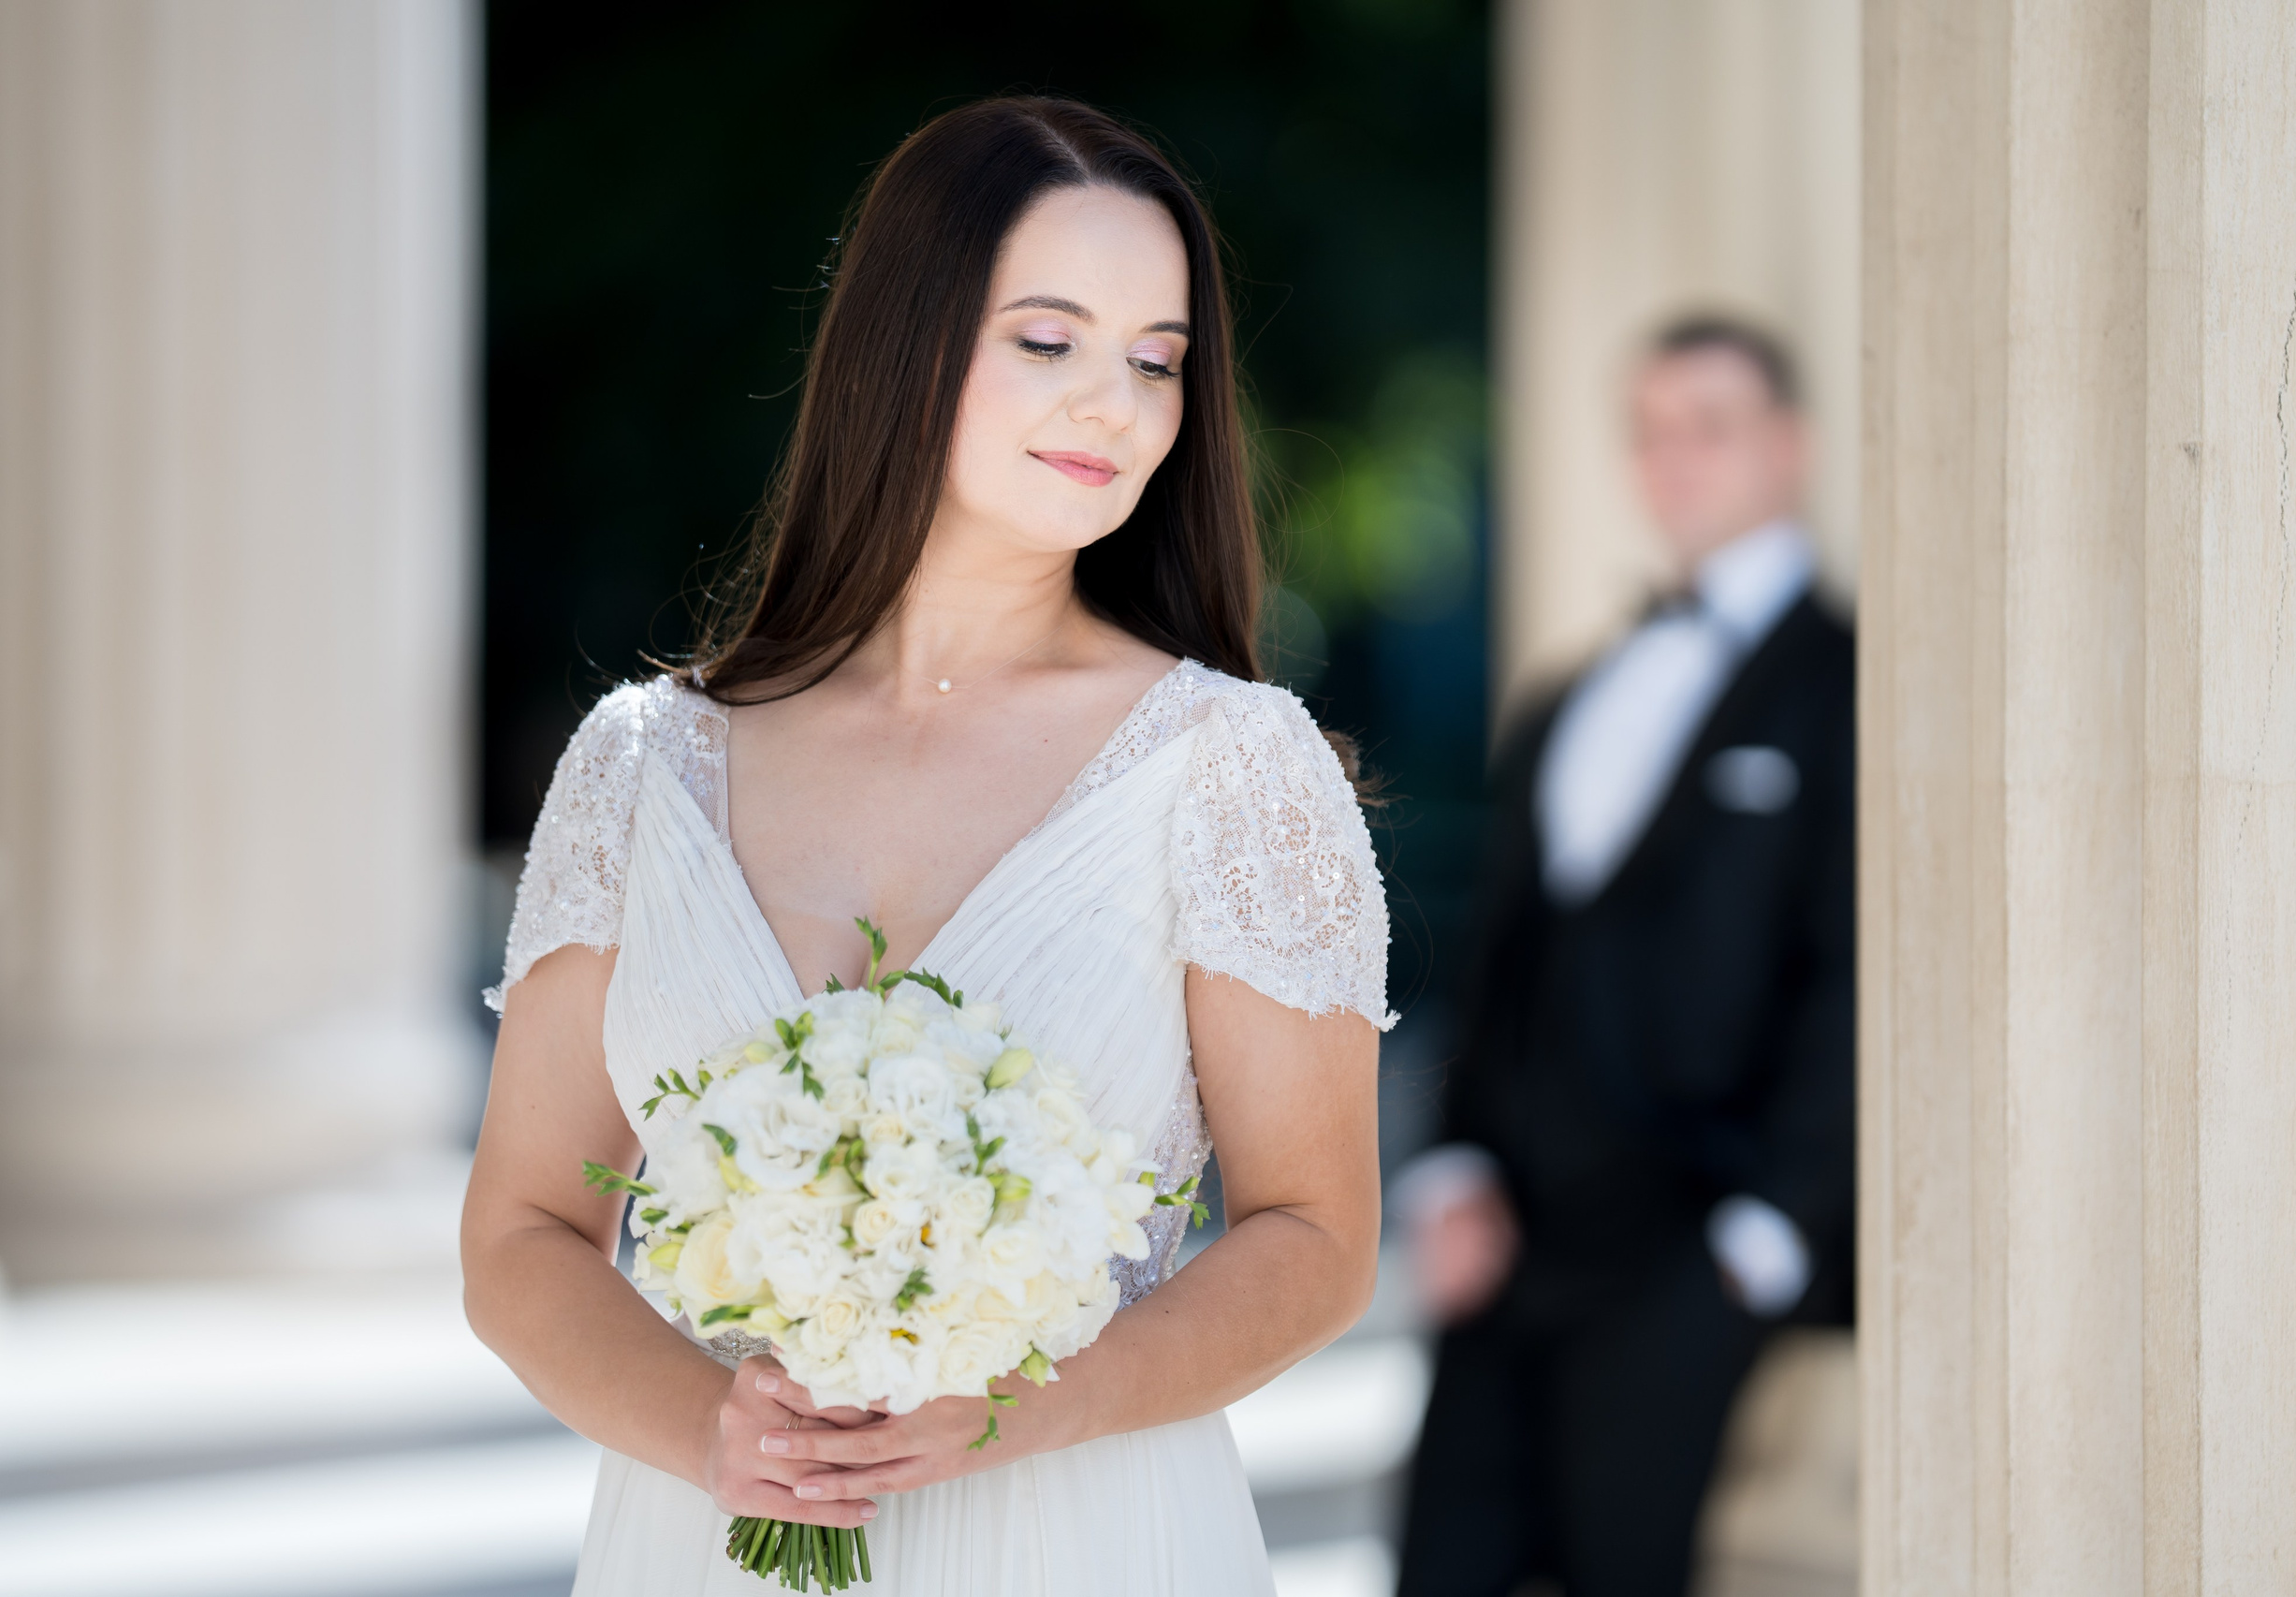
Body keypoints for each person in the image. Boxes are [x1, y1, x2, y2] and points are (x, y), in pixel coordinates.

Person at [461, 97, 1392, 1596]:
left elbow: (1318, 1233)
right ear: (907, 338)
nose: (1115, 405)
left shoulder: (1231, 765)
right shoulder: (644, 767)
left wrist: (1030, 1407)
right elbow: (522, 1229)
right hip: (706, 1548)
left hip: (1082, 1539)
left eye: (1157, 360)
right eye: (1051, 340)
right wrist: (711, 1430)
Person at [1396, 316, 1855, 1597]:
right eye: (1650, 431)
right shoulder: (1570, 692)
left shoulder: (1848, 686)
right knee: (1440, 1565)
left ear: (1790, 446)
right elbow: (1502, 955)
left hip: (1690, 1247)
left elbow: (1859, 976)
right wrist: (1453, 1163)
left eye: (1710, 426)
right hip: (1511, 1237)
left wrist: (1764, 1241)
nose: (1674, 459)